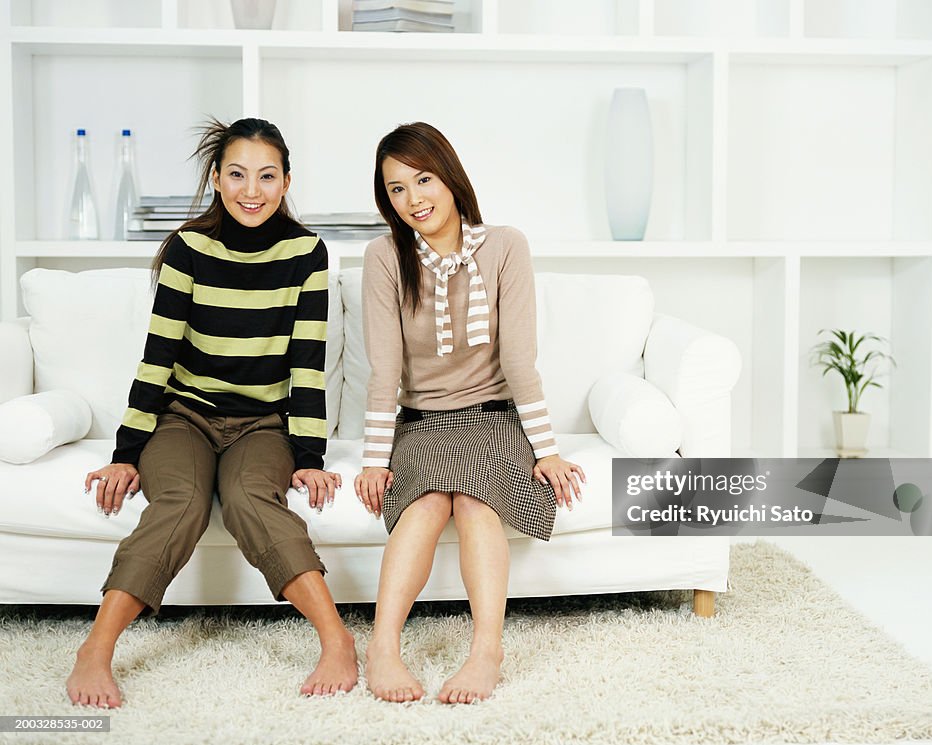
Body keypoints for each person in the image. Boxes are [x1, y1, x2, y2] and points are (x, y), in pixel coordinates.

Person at [66, 118, 357, 708]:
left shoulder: (306, 253)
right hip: (184, 418)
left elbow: (306, 363)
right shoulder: (188, 248)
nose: (253, 190)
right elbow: (159, 356)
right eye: (238, 175)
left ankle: (338, 642)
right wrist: (125, 455)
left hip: (263, 425)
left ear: (286, 182)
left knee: (251, 498)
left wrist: (309, 457)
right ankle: (94, 650)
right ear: (218, 181)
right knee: (182, 503)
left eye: (267, 176)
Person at [355, 122, 586, 704]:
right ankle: (383, 648)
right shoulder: (384, 256)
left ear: (451, 178)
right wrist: (374, 460)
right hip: (423, 421)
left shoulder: (506, 245)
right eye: (397, 189)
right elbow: (386, 371)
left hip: (493, 415)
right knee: (429, 498)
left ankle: (487, 651)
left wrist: (548, 449)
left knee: (478, 498)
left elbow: (518, 360)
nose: (414, 199)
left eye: (423, 180)